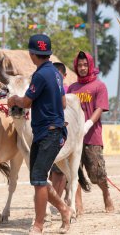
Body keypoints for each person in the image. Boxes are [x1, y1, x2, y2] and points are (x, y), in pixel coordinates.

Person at [7, 34, 71, 234]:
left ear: (31, 54)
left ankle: (39, 225)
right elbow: (63, 103)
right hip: (49, 131)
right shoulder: (56, 74)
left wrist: (13, 99)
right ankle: (64, 209)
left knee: (38, 180)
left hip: (48, 133)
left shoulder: (40, 75)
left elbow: (26, 103)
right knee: (38, 178)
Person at [67, 51, 114, 215]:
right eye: (79, 65)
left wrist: (88, 123)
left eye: (85, 65)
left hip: (91, 135)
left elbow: (100, 108)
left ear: (90, 65)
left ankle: (106, 194)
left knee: (96, 172)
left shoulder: (99, 86)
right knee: (74, 171)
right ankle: (78, 204)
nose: (82, 68)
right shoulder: (72, 88)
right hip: (73, 137)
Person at [49, 62, 68, 199]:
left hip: (62, 132)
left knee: (60, 170)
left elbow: (64, 106)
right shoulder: (47, 89)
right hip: (48, 133)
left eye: (58, 76)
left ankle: (58, 199)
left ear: (64, 76)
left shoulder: (65, 90)